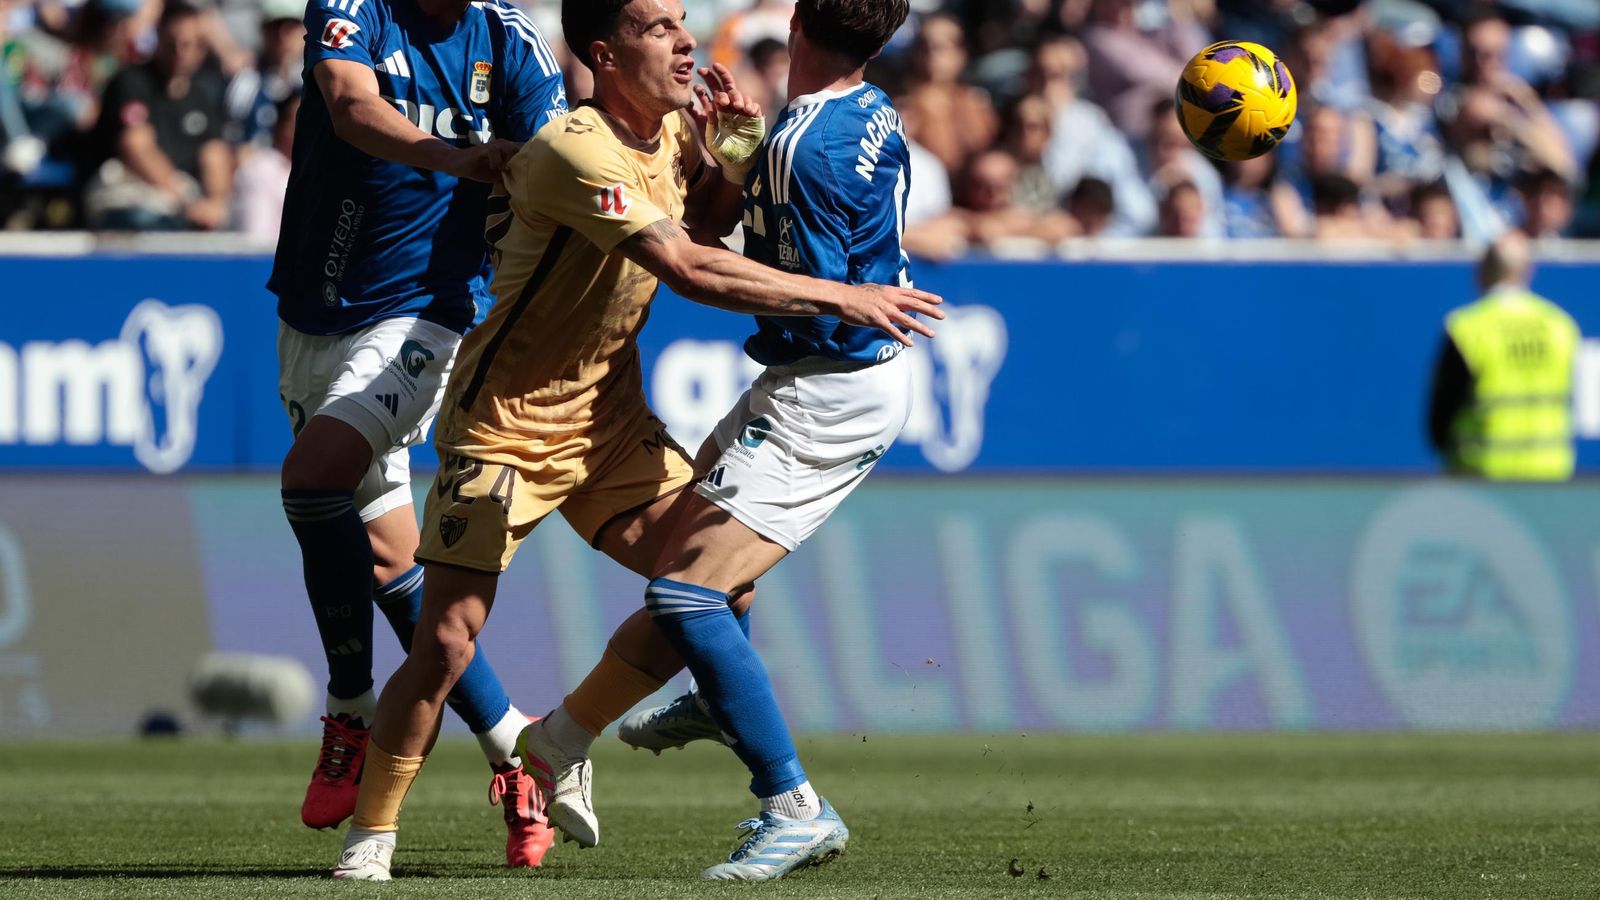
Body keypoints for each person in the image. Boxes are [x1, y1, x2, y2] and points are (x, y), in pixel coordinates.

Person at [329, 0, 942, 881]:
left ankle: (557, 745)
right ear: (607, 54)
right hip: (508, 427)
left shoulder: (670, 139)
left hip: (610, 426)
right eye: (659, 28)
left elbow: (706, 225)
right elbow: (687, 267)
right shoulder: (577, 147)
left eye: (683, 21)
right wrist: (841, 295)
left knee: (714, 592)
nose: (687, 39)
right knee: (447, 645)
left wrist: (729, 155)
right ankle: (373, 837)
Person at [522, 0, 923, 881]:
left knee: (687, 597)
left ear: (801, 21)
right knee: (702, 583)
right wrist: (737, 160)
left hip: (829, 387)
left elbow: (749, 274)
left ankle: (793, 807)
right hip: (820, 378)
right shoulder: (866, 113)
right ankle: (709, 699)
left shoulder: (802, 146)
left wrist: (753, 213)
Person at [270, 0, 568, 867]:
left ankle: (352, 712)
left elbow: (551, 157)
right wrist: (461, 158)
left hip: (426, 315)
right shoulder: (354, 8)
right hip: (313, 313)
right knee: (397, 570)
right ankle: (522, 756)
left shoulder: (509, 40)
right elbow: (349, 106)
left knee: (312, 478)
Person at [1427, 234, 1579, 480]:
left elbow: (1441, 417)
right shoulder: (1560, 325)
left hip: (1484, 475)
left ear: (1482, 271)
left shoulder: (1468, 328)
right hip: (1551, 474)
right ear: (1528, 271)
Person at [84, 1, 233, 230]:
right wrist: (188, 201)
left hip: (184, 200)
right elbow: (135, 146)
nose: (180, 53)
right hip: (127, 191)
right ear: (158, 37)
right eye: (172, 43)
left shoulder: (202, 95)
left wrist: (215, 203)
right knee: (149, 221)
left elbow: (215, 154)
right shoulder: (131, 81)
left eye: (189, 45)